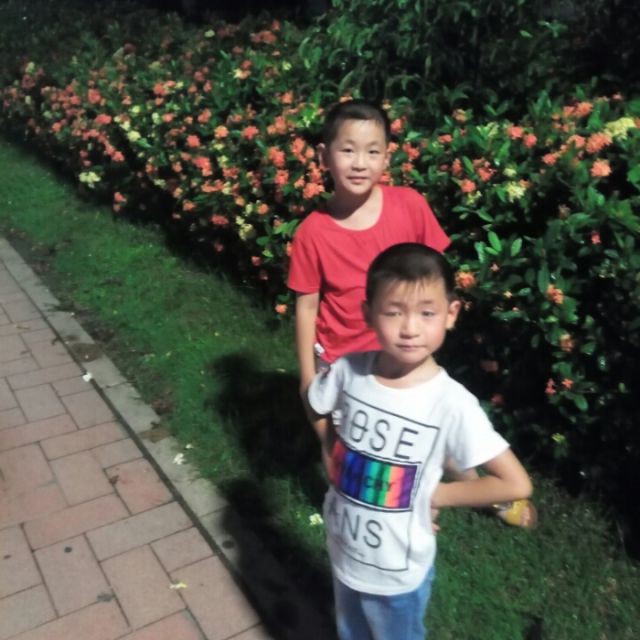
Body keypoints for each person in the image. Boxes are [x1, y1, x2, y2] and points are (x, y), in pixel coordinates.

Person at [288, 98, 536, 528]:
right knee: (365, 449)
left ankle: (479, 490)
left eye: (372, 151)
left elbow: (435, 275)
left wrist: (433, 324)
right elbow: (307, 307)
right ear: (324, 156)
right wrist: (308, 378)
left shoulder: (409, 206)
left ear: (387, 156)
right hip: (348, 362)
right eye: (347, 150)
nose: (360, 163)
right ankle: (402, 512)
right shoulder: (313, 233)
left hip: (407, 349)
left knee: (432, 426)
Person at [304, 243, 533, 640]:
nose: (410, 328)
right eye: (394, 312)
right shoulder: (348, 370)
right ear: (368, 313)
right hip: (344, 551)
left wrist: (435, 495)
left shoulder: (451, 403)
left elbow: (515, 483)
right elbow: (316, 403)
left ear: (451, 313)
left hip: (397, 576)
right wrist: (331, 450)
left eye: (427, 313)